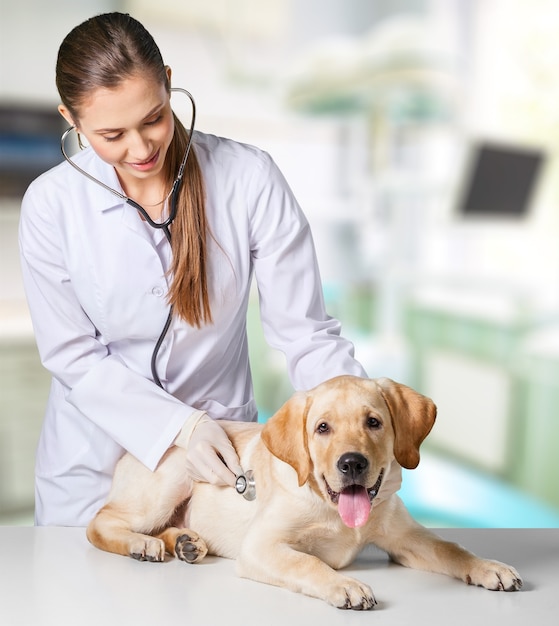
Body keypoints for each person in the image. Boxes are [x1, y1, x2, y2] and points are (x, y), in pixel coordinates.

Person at [19, 12, 399, 527]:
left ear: (170, 84)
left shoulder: (249, 179)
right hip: (93, 465)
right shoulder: (50, 205)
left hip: (220, 468)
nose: (141, 148)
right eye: (112, 134)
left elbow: (304, 333)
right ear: (72, 120)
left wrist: (366, 428)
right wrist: (180, 425)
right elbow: (74, 356)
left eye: (153, 118)